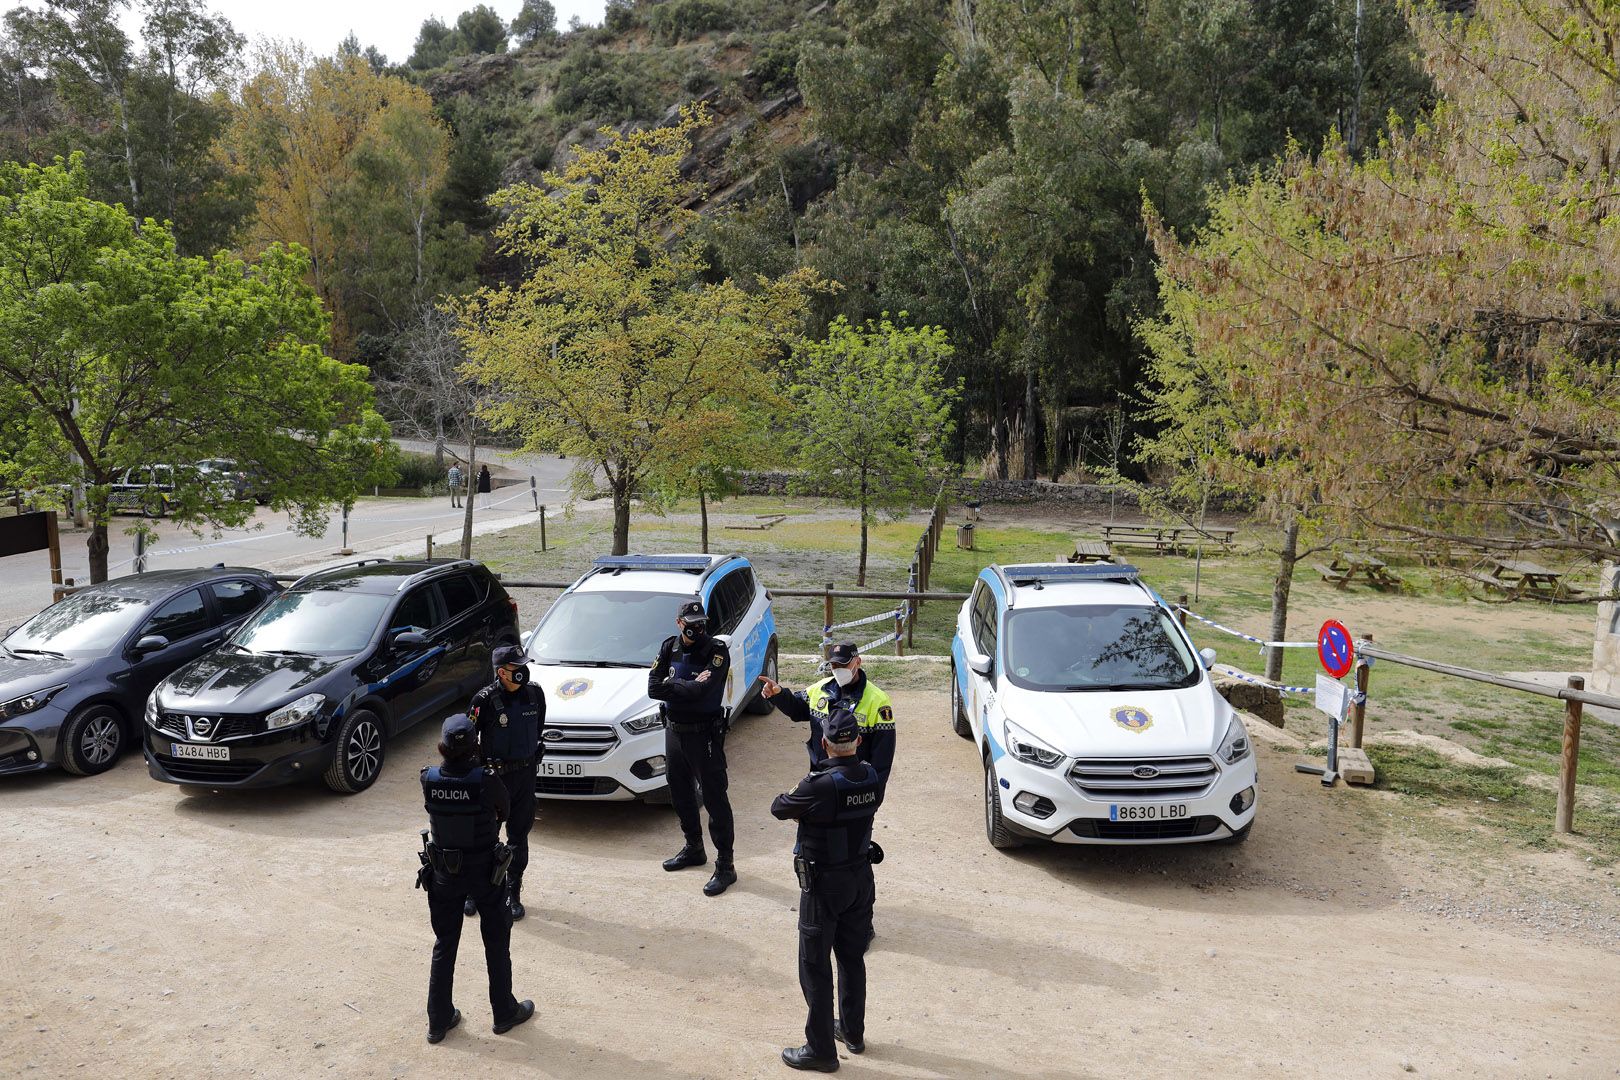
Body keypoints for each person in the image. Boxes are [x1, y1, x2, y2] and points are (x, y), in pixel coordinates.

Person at [770, 706, 885, 1072]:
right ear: (858, 742)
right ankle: (852, 1032)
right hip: (860, 880)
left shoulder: (818, 784)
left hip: (824, 886)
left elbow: (778, 807)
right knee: (851, 958)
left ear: (823, 743)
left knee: (815, 965)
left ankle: (820, 1050)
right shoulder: (870, 776)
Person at [419, 713, 535, 1043]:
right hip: (486, 872)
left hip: (444, 873)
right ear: (475, 745)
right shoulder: (485, 779)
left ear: (442, 746)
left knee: (445, 944)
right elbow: (505, 812)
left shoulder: (428, 778)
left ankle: (438, 1021)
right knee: (496, 942)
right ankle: (503, 1012)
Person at [647, 597, 736, 896]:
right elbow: (652, 688)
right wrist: (688, 686)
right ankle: (694, 848)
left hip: (705, 735)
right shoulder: (668, 647)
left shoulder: (716, 651)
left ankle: (726, 865)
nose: (697, 630)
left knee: (714, 799)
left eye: (701, 625)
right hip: (673, 733)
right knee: (680, 792)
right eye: (691, 625)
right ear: (679, 623)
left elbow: (705, 691)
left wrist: (675, 688)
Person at [468, 645, 546, 920]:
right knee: (485, 836)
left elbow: (537, 731)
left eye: (525, 665)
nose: (523, 672)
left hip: (524, 776)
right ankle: (476, 891)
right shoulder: (484, 700)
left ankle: (513, 891)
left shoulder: (535, 694)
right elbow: (468, 742)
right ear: (501, 672)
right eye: (516, 668)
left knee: (518, 837)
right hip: (494, 778)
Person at [757, 642, 896, 784]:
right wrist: (778, 694)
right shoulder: (820, 688)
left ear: (858, 662)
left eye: (843, 665)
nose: (838, 670)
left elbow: (883, 757)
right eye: (834, 665)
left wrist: (873, 794)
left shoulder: (878, 701)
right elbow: (797, 711)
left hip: (856, 783)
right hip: (821, 778)